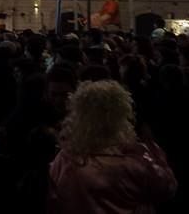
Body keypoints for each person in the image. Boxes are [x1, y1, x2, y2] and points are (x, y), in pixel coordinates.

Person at [48, 80, 176, 213]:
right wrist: (152, 147)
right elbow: (167, 187)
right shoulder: (137, 163)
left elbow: (53, 202)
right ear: (122, 115)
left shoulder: (64, 159)